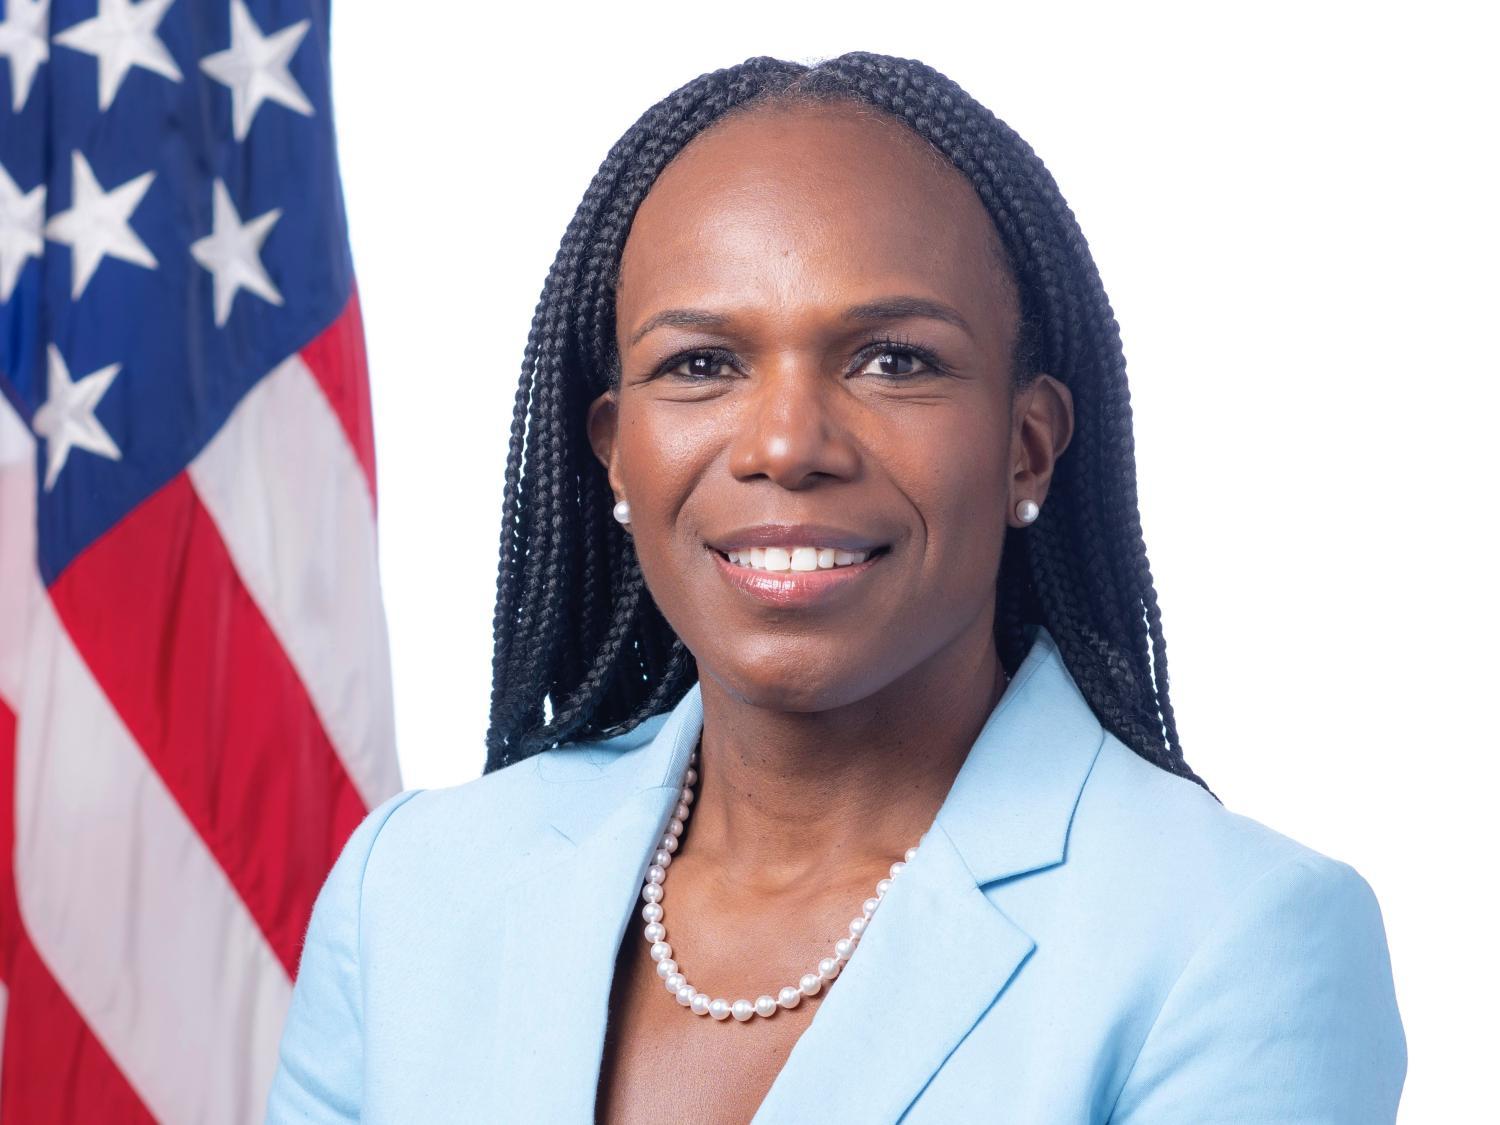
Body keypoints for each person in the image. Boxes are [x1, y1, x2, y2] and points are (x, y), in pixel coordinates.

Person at [265, 52, 1406, 1123]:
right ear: (615, 451)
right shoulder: (410, 891)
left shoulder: (1233, 938)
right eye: (701, 364)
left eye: (893, 361)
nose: (786, 444)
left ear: (1028, 448)